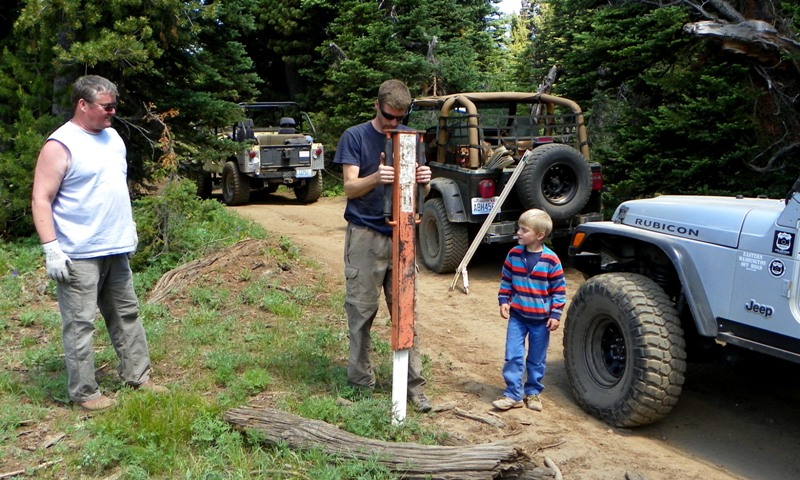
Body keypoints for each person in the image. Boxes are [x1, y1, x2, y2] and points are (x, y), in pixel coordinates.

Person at [31, 75, 166, 411]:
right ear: (83, 104)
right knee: (80, 325)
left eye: (113, 106)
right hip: (78, 254)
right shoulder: (60, 145)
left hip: (115, 248)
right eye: (106, 106)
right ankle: (85, 394)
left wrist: (128, 228)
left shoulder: (113, 138)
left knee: (126, 315)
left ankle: (138, 375)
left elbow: (113, 188)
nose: (112, 112)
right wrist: (51, 248)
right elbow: (40, 198)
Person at [333, 79, 433, 413]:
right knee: (361, 311)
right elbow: (349, 187)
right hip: (365, 234)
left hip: (402, 236)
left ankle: (413, 388)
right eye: (390, 117)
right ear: (377, 106)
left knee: (406, 312)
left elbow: (421, 196)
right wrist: (376, 177)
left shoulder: (410, 138)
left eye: (400, 118)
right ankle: (361, 383)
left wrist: (425, 183)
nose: (394, 124)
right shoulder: (355, 137)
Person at [492, 209, 566, 412]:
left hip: (540, 321)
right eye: (519, 228)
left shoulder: (551, 260)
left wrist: (555, 314)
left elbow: (559, 290)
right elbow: (506, 279)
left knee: (536, 358)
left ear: (539, 235)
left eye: (524, 230)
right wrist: (504, 300)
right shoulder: (514, 254)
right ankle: (513, 394)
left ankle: (533, 392)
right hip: (518, 317)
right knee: (513, 355)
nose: (519, 233)